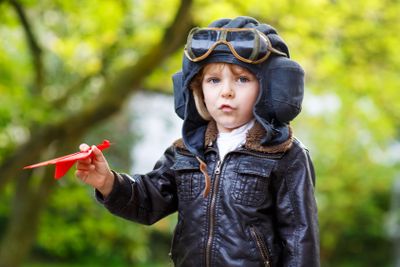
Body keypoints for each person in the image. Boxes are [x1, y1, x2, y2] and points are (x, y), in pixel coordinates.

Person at [76, 16, 320, 267]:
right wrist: (107, 182)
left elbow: (300, 240)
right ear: (197, 89)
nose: (226, 91)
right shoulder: (186, 151)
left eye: (242, 79)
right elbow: (148, 201)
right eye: (214, 80)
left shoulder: (285, 155)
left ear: (267, 88)